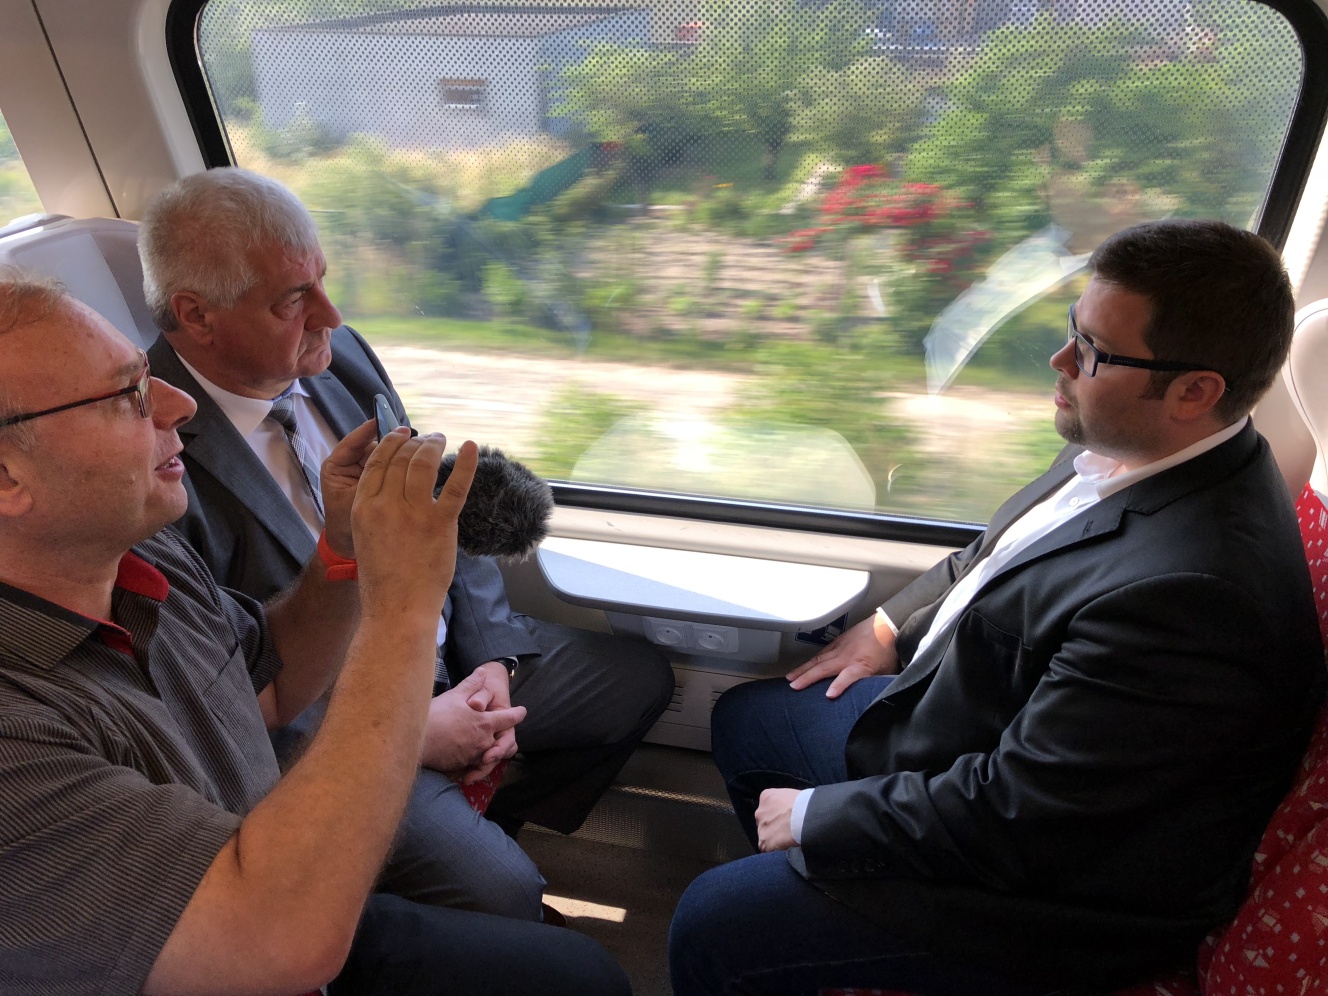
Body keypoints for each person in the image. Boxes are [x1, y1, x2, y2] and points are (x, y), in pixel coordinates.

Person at [669, 219, 1328, 995]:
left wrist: (819, 819)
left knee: (711, 922)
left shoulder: (1197, 597)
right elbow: (995, 553)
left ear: (1194, 392)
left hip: (1050, 891)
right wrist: (889, 624)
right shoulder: (1134, 438)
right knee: (750, 721)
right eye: (1073, 329)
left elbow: (1027, 813)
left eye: (1091, 350)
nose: (1060, 361)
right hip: (978, 735)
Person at [0, 273, 630, 995]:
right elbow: (271, 940)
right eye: (128, 395)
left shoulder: (141, 551)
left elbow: (268, 686)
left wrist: (344, 551)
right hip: (256, 925)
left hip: (274, 877)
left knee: (582, 977)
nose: (179, 405)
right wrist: (402, 603)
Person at [137, 166, 675, 920]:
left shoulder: (342, 357)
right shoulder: (150, 451)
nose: (330, 313)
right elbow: (223, 696)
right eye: (294, 299)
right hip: (331, 722)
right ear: (198, 316)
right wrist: (410, 733)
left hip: (447, 655)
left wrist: (491, 660)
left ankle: (474, 825)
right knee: (507, 893)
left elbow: (436, 504)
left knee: (637, 680)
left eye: (323, 280)